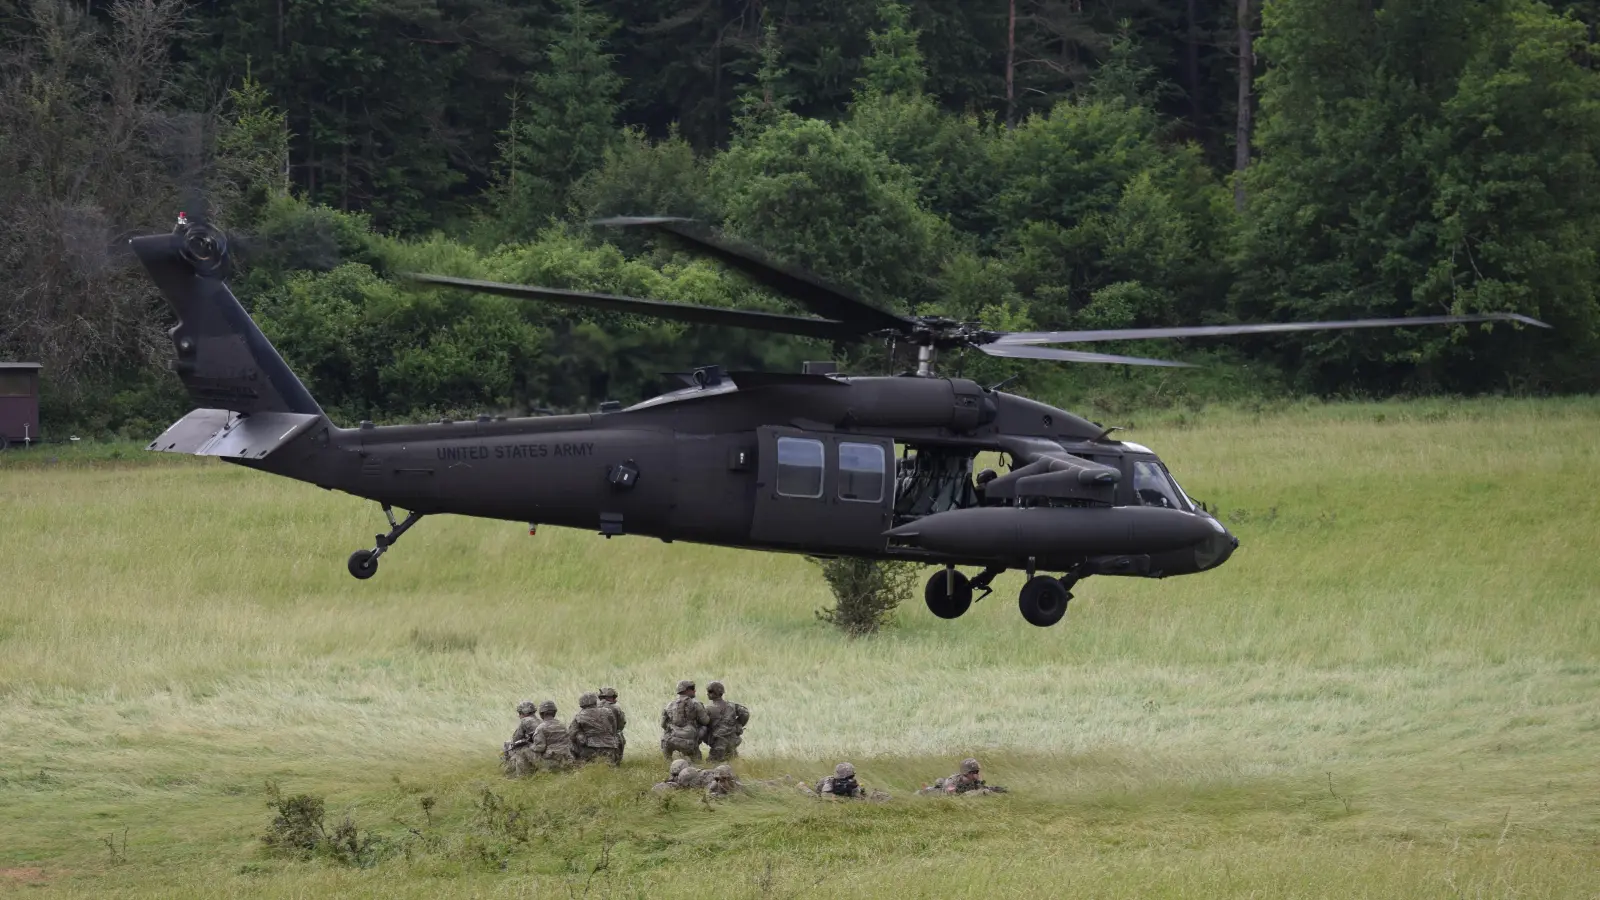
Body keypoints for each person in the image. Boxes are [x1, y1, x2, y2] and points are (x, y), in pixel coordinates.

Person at [659, 679, 709, 761]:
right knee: (705, 727)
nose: (694, 690)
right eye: (693, 688)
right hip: (688, 742)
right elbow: (705, 721)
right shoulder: (696, 704)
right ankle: (695, 752)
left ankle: (668, 761)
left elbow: (663, 725)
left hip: (669, 741)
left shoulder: (668, 705)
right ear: (687, 690)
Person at [568, 692, 622, 765]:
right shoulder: (608, 711)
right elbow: (614, 728)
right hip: (611, 748)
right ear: (595, 701)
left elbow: (572, 735)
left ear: (581, 703)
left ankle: (576, 763)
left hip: (591, 749)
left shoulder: (579, 716)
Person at [703, 681, 750, 762]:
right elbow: (745, 713)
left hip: (719, 743)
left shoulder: (708, 709)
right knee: (733, 761)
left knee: (713, 764)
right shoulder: (732, 705)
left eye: (709, 691)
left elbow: (703, 722)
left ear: (715, 693)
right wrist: (738, 725)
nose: (707, 694)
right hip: (733, 740)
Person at [527, 700, 574, 770]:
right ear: (554, 713)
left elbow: (540, 748)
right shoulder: (562, 725)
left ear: (541, 714)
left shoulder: (541, 728)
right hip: (567, 759)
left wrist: (530, 745)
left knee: (524, 750)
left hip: (552, 762)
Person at [921, 757, 1006, 795]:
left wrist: (996, 789)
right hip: (941, 790)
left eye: (977, 771)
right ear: (967, 773)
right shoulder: (953, 782)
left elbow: (982, 787)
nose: (977, 774)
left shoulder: (974, 781)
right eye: (975, 772)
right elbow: (950, 794)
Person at [501, 700, 540, 777]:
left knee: (508, 744)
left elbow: (515, 738)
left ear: (524, 713)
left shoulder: (525, 720)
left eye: (519, 713)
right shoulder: (540, 720)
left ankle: (508, 771)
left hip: (532, 750)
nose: (519, 715)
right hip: (539, 750)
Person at [598, 686, 626, 756]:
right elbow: (621, 725)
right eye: (614, 697)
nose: (615, 700)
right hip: (611, 739)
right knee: (620, 735)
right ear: (610, 697)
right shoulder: (615, 707)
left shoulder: (592, 707)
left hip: (593, 740)